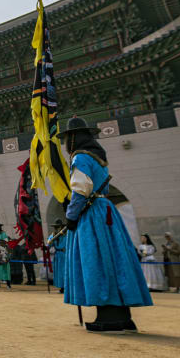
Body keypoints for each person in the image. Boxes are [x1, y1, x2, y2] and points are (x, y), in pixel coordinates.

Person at [61, 117, 152, 332]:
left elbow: (81, 190)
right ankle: (123, 316)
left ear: (73, 139)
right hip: (106, 209)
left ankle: (108, 315)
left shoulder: (80, 157)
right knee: (116, 258)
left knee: (97, 259)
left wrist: (71, 216)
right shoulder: (99, 159)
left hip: (92, 214)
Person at [49, 220, 66, 293]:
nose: (56, 229)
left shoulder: (66, 235)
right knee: (58, 272)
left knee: (64, 271)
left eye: (57, 227)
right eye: (55, 227)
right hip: (57, 255)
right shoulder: (53, 235)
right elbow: (49, 244)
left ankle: (66, 287)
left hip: (64, 255)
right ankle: (61, 287)